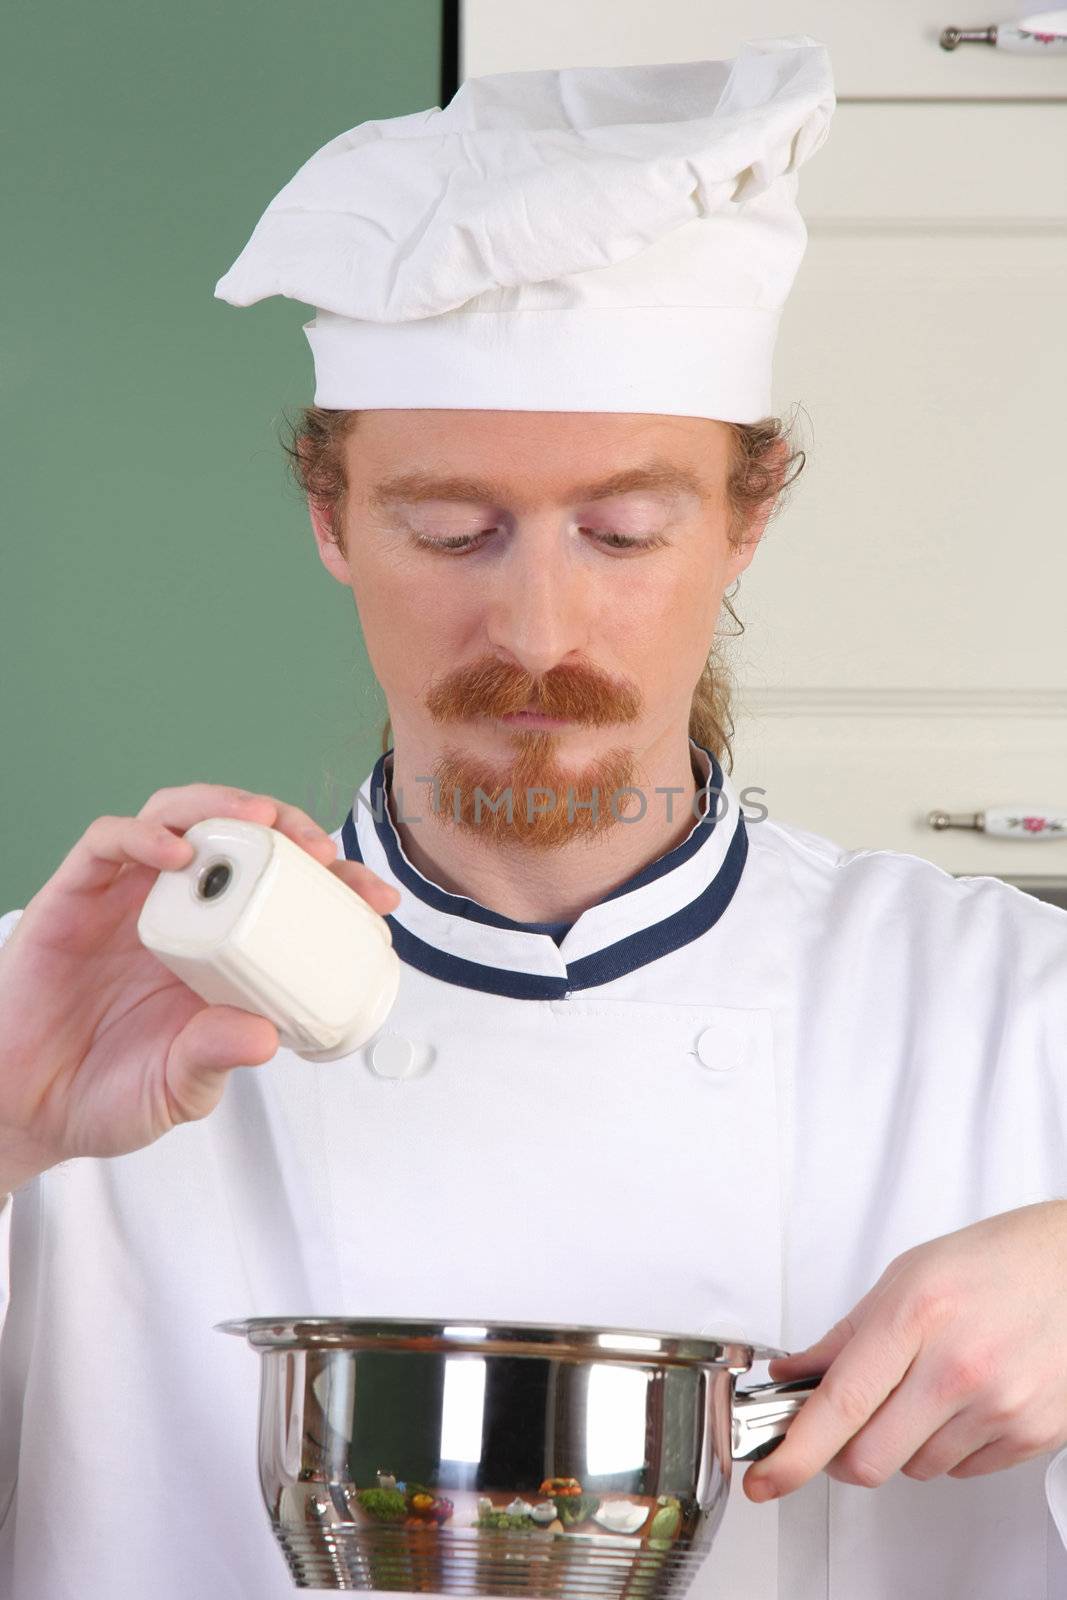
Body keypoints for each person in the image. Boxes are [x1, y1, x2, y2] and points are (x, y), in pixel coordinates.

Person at [1, 36, 1066, 1600]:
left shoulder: (1009, 1016)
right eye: (454, 530)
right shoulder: (79, 1024)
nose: (539, 628)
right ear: (331, 520)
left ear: (747, 521)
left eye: (622, 530)